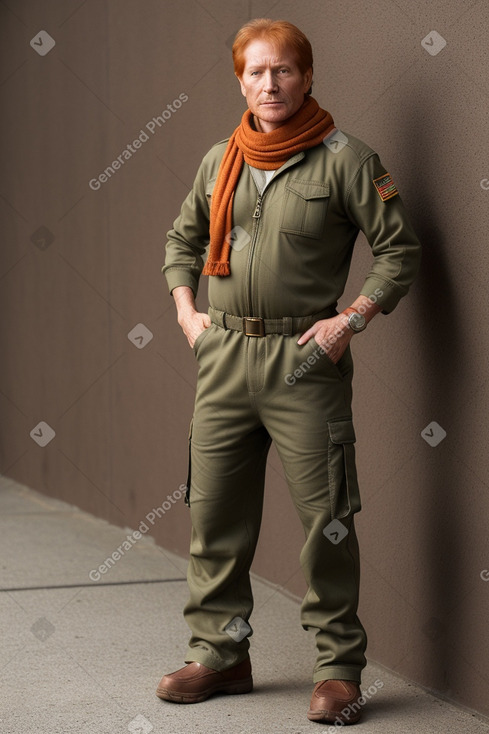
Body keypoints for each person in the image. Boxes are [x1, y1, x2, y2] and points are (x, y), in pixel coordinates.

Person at [156, 18, 421, 724]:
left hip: (305, 360)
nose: (268, 85)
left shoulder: (347, 160)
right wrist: (187, 315)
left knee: (325, 521)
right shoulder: (220, 160)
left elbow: (399, 252)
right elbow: (181, 242)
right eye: (255, 72)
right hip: (224, 359)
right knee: (213, 516)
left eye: (282, 71)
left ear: (306, 77)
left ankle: (337, 670)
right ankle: (220, 654)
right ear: (238, 80)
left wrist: (350, 320)